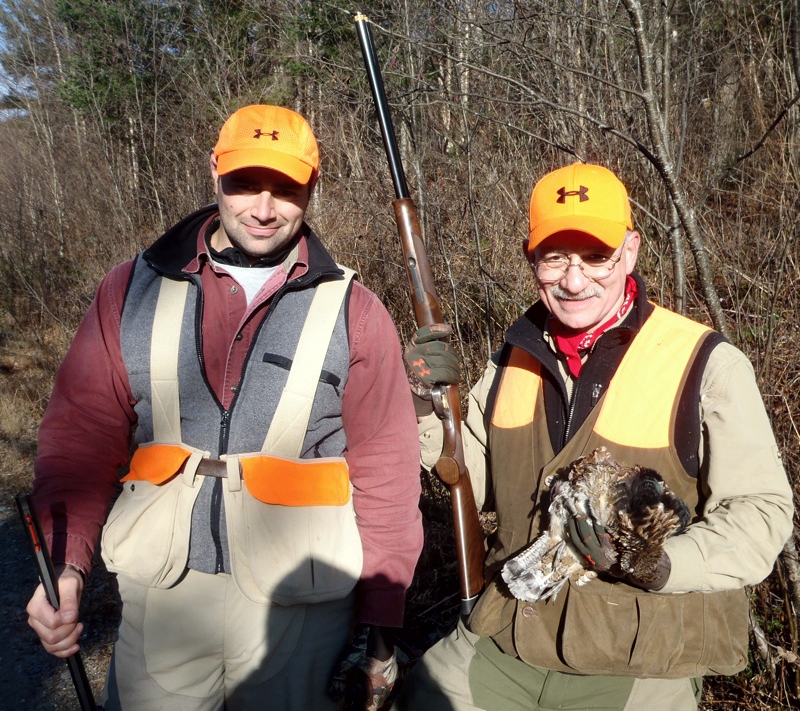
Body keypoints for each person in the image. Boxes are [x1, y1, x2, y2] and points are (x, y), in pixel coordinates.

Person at [25, 104, 423, 711]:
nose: (263, 209)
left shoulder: (357, 311)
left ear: (312, 187)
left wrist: (381, 630)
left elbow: (387, 472)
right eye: (244, 184)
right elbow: (81, 437)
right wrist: (66, 566)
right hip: (162, 595)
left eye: (285, 189)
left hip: (302, 609)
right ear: (214, 172)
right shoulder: (130, 288)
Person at [395, 162, 793, 711]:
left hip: (643, 648)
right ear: (530, 257)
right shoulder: (512, 358)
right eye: (555, 256)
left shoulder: (708, 364)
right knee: (422, 696)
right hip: (515, 626)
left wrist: (661, 565)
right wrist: (422, 402)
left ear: (630, 251)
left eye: (595, 256)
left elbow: (762, 513)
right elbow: (474, 480)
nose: (574, 279)